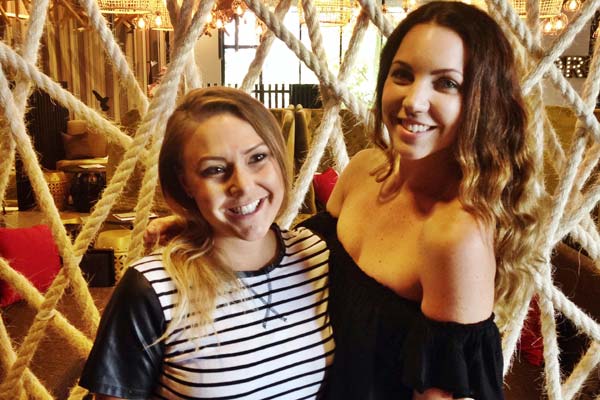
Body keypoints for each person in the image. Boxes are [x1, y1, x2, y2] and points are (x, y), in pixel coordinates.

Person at [144, 2, 541, 398]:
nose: (414, 101)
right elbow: (298, 255)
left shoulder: (455, 236)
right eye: (403, 75)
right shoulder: (364, 170)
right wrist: (210, 229)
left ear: (482, 101)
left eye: (446, 84)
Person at [79, 87, 334, 399]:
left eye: (257, 158)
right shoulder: (152, 289)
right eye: (215, 170)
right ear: (185, 183)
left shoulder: (316, 256)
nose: (243, 185)